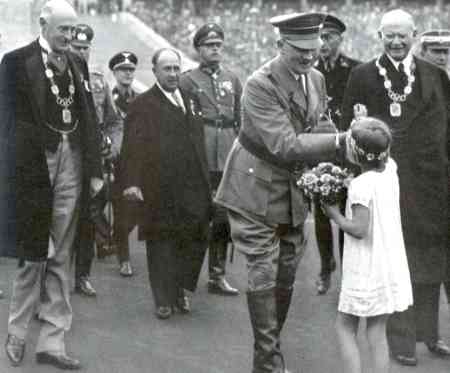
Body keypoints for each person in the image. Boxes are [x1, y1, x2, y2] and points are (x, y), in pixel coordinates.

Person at [215, 12, 349, 373]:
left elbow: (320, 120)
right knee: (262, 269)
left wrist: (338, 144)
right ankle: (270, 363)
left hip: (291, 187)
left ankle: (266, 360)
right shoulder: (261, 83)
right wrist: (339, 143)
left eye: (314, 49)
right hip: (253, 185)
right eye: (299, 50)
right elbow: (284, 144)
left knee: (287, 271)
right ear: (279, 45)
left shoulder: (316, 77)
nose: (308, 57)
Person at [341, 9, 450, 366]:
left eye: (403, 35)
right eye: (390, 35)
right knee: (393, 260)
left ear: (414, 34)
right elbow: (352, 131)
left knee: (429, 257)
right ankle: (401, 342)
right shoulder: (362, 76)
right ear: (379, 35)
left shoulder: (435, 74)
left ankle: (429, 335)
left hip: (431, 183)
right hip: (387, 183)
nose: (397, 41)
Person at [1, 0, 103, 369]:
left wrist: (93, 170)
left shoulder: (77, 63)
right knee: (33, 254)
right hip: (33, 165)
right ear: (43, 24)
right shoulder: (14, 63)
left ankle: (53, 341)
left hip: (71, 158)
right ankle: (16, 334)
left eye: (73, 30)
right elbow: (6, 125)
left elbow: (88, 116)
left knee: (62, 251)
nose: (70, 37)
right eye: (63, 29)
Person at [120, 48, 211, 320]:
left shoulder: (191, 98)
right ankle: (163, 298)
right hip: (158, 186)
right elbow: (131, 148)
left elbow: (198, 142)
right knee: (161, 242)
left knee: (194, 235)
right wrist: (132, 183)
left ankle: (181, 287)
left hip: (192, 184)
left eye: (176, 68)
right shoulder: (143, 104)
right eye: (167, 69)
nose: (172, 74)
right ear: (155, 72)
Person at [323, 117, 413, 373]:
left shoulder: (361, 186)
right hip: (387, 264)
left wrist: (334, 214)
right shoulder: (391, 169)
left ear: (353, 151)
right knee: (376, 331)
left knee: (344, 326)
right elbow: (377, 140)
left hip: (366, 265)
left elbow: (360, 229)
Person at [179, 23, 241, 296]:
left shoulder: (233, 78)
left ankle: (217, 275)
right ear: (198, 49)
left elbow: (239, 120)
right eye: (209, 45)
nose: (215, 49)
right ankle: (184, 280)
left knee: (223, 218)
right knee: (196, 218)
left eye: (218, 45)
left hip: (226, 151)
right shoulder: (187, 80)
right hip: (199, 154)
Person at [70, 23, 119, 296]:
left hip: (93, 157)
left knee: (89, 217)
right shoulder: (59, 74)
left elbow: (113, 121)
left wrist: (112, 145)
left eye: (85, 48)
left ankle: (82, 276)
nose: (80, 52)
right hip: (68, 154)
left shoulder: (98, 79)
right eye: (76, 47)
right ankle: (53, 279)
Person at [313, 13, 360, 295]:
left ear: (340, 39)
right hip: (319, 149)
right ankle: (325, 265)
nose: (323, 43)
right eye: (319, 38)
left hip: (347, 151)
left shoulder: (355, 70)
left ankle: (346, 273)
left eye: (328, 37)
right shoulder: (310, 71)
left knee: (344, 211)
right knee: (320, 212)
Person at [108, 51, 139, 276]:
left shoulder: (139, 99)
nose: (127, 74)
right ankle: (124, 258)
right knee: (119, 210)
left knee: (136, 209)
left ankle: (114, 238)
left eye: (130, 70)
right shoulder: (108, 98)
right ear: (115, 72)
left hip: (137, 161)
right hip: (116, 161)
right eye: (122, 70)